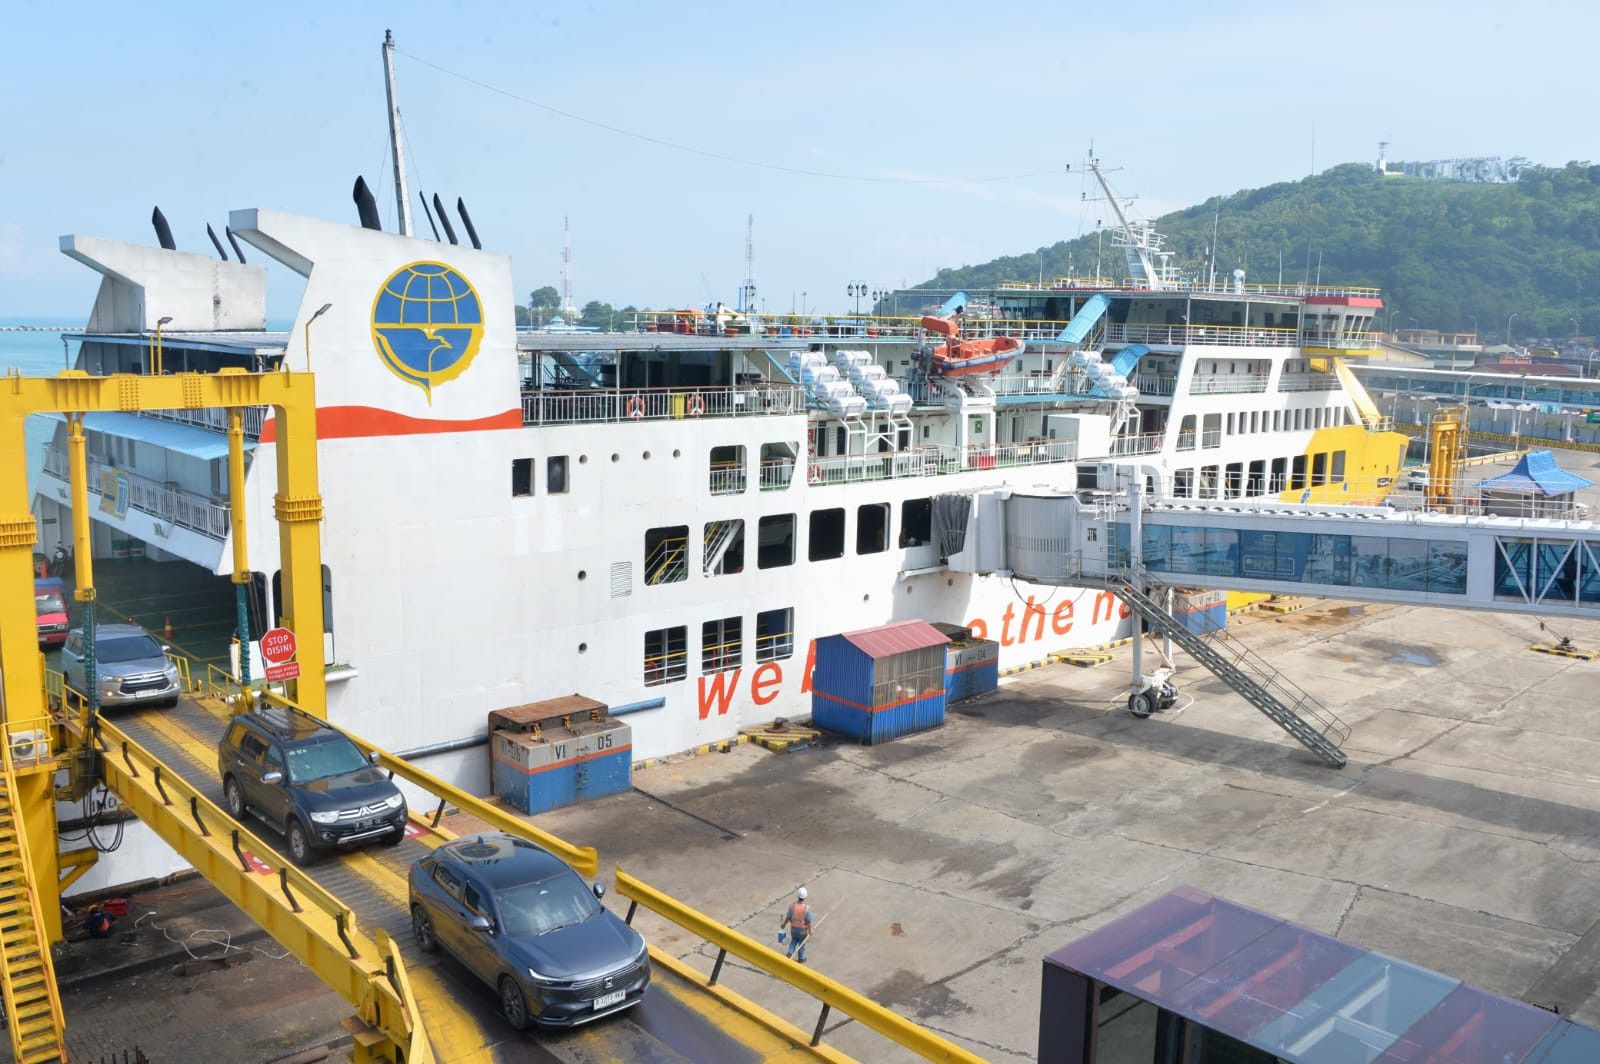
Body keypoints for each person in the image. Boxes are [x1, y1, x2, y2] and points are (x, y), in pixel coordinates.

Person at [780, 886, 813, 964]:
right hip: (803, 930)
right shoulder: (806, 908)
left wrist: (784, 925)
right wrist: (810, 930)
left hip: (794, 929)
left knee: (793, 941)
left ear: (797, 896)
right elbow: (808, 921)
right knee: (802, 944)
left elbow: (788, 917)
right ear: (805, 897)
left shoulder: (792, 906)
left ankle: (790, 953)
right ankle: (801, 958)